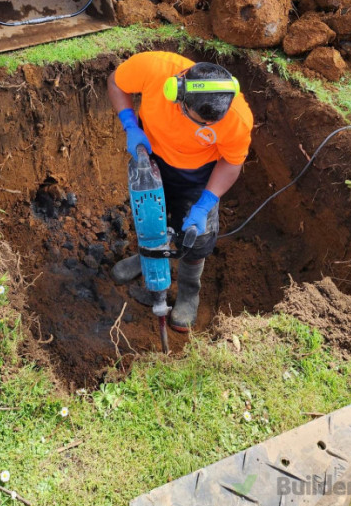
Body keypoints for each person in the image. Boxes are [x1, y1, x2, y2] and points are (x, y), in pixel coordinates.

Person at [107, 51, 253, 332]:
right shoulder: (154, 68)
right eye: (199, 121)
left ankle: (188, 291)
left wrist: (205, 204)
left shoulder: (237, 118)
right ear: (177, 96)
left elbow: (232, 163)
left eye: (211, 125)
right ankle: (147, 257)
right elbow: (116, 82)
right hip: (150, 156)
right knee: (149, 216)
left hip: (199, 175)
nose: (205, 128)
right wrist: (129, 126)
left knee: (196, 237)